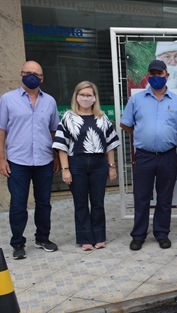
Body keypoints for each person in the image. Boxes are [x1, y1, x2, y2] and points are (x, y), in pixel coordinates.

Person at [120, 60, 177, 251]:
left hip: (168, 156)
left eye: (159, 74)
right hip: (144, 156)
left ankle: (161, 233)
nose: (156, 77)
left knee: (164, 197)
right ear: (148, 76)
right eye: (152, 73)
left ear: (167, 75)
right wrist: (142, 134)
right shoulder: (137, 99)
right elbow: (125, 123)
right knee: (141, 196)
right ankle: (138, 235)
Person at [0, 60, 60, 259]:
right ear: (21, 74)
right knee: (18, 204)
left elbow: (54, 130)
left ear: (42, 78)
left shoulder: (50, 101)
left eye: (37, 74)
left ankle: (42, 238)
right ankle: (17, 243)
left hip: (44, 160)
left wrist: (56, 156)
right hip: (17, 161)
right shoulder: (7, 99)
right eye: (28, 72)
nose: (32, 76)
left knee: (44, 202)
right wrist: (0, 159)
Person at [53, 81, 121, 251]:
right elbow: (62, 145)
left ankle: (99, 236)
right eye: (82, 94)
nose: (85, 98)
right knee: (81, 202)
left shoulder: (102, 117)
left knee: (98, 202)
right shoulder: (68, 117)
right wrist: (65, 169)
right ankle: (85, 238)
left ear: (94, 98)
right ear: (76, 96)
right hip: (77, 164)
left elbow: (110, 144)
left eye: (89, 95)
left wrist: (112, 166)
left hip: (99, 164)